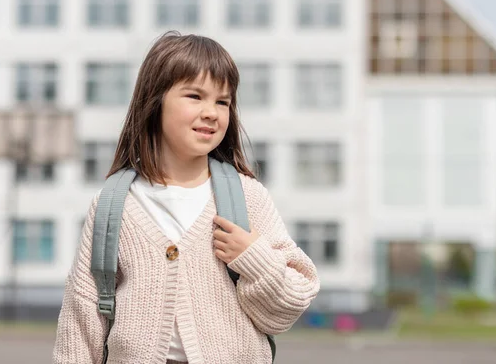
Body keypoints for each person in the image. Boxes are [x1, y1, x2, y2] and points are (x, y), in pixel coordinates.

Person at [52, 31, 320, 364]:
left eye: (222, 101)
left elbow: (287, 307)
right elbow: (81, 320)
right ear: (155, 101)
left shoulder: (245, 197)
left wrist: (253, 257)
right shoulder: (113, 204)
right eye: (195, 96)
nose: (212, 112)